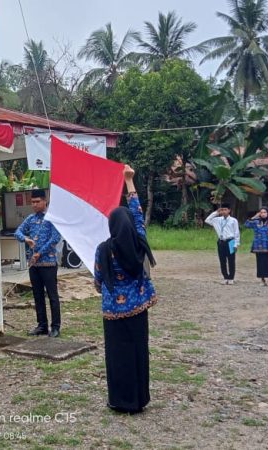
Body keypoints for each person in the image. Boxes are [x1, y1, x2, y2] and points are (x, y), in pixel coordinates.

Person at [94, 165, 157, 414]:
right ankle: (138, 400)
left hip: (113, 312)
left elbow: (99, 280)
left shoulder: (103, 249)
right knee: (138, 351)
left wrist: (102, 287)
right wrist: (129, 182)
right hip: (138, 309)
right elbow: (138, 216)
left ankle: (119, 400)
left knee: (117, 355)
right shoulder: (139, 243)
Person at [15, 189, 63, 338]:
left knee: (52, 295)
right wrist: (26, 239)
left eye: (37, 202)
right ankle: (42, 325)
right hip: (34, 265)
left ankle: (55, 326)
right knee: (37, 295)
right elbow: (17, 232)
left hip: (48, 263)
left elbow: (55, 238)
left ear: (44, 201)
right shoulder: (30, 218)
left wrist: (39, 253)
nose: (34, 205)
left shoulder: (52, 218)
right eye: (32, 202)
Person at [205, 203, 240, 285]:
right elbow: (207, 220)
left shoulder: (233, 220)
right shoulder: (217, 220)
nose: (224, 211)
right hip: (221, 241)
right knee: (222, 260)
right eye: (222, 210)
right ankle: (225, 277)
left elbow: (236, 233)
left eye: (225, 210)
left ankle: (231, 278)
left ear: (229, 210)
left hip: (231, 241)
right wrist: (216, 212)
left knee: (231, 260)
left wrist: (236, 244)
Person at [245, 207, 268, 286]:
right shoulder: (256, 222)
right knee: (260, 262)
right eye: (261, 212)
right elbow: (247, 224)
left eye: (265, 212)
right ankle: (262, 279)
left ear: (267, 213)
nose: (263, 214)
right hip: (259, 245)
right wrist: (254, 217)